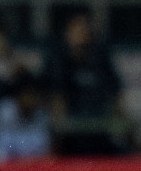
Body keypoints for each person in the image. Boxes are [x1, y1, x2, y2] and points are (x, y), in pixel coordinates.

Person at [44, 12, 126, 155]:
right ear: (68, 33)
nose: (83, 34)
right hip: (70, 138)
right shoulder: (58, 60)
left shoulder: (100, 58)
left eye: (85, 30)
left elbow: (116, 100)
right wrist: (55, 147)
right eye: (78, 30)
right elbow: (57, 104)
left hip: (100, 134)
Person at [0, 69, 51, 163]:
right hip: (8, 170)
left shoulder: (41, 114)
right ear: (18, 97)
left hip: (33, 170)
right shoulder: (6, 110)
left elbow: (44, 153)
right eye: (27, 96)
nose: (30, 101)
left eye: (33, 96)